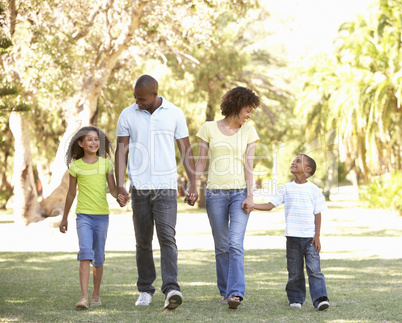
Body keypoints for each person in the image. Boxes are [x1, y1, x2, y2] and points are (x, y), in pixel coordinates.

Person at [115, 75, 198, 310]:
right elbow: (121, 151)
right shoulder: (127, 114)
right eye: (135, 99)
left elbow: (186, 150)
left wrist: (193, 183)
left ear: (155, 94)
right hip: (139, 188)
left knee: (167, 238)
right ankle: (145, 290)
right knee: (142, 241)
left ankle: (171, 288)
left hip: (167, 188)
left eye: (141, 99)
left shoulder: (175, 113)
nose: (137, 103)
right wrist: (120, 184)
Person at [194, 87, 260, 309]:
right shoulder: (209, 128)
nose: (249, 115)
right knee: (222, 246)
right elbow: (201, 161)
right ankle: (225, 291)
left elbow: (249, 166)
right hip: (215, 194)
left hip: (239, 193)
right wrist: (194, 186)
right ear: (236, 105)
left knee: (234, 243)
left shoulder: (249, 132)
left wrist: (251, 195)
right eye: (248, 110)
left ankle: (236, 293)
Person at [59, 126, 126, 309]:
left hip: (102, 217)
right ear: (81, 143)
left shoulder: (106, 164)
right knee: (85, 253)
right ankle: (84, 297)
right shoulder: (76, 166)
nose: (94, 142)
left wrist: (120, 196)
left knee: (99, 257)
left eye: (96, 139)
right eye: (89, 139)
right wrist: (64, 217)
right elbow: (71, 194)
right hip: (83, 216)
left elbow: (112, 189)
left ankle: (96, 294)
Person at [253, 154, 330, 311]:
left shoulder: (314, 190)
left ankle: (320, 298)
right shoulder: (286, 189)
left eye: (298, 161)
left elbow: (318, 213)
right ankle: (295, 299)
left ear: (307, 169)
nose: (293, 163)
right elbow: (270, 205)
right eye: (294, 160)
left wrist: (317, 236)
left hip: (310, 239)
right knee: (294, 271)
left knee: (314, 270)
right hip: (292, 238)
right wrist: (252, 205)